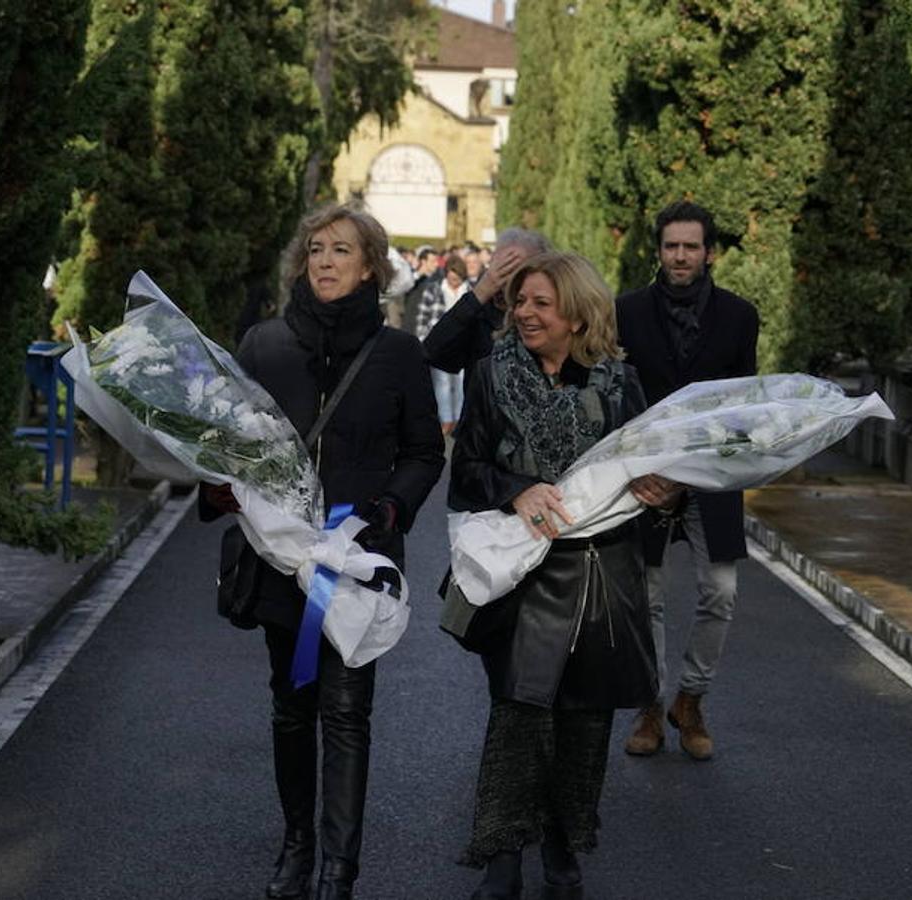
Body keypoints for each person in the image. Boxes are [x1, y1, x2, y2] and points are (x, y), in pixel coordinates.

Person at [200, 203, 444, 900]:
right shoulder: (263, 346)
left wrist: (390, 509)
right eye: (315, 249)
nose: (326, 260)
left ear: (371, 264)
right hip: (283, 561)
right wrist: (218, 489)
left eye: (342, 249)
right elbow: (223, 443)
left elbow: (424, 451)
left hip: (358, 561)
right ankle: (297, 844)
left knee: (346, 710)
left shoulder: (398, 354)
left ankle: (340, 868)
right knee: (291, 704)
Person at [448, 252, 680, 900]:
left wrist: (667, 494)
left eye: (540, 303)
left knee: (584, 723)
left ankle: (561, 851)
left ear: (577, 314)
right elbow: (464, 473)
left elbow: (648, 476)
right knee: (519, 717)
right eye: (520, 301)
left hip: (602, 577)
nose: (523, 312)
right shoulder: (491, 378)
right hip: (520, 577)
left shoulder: (621, 385)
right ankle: (501, 861)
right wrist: (518, 488)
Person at [615, 200, 759, 762]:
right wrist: (643, 469)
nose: (680, 256)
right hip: (645, 475)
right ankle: (649, 705)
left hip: (713, 470)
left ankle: (690, 699)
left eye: (690, 247)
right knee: (643, 596)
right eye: (671, 246)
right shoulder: (625, 312)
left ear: (709, 252)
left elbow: (741, 405)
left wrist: (699, 465)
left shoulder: (739, 316)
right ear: (659, 250)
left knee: (720, 590)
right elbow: (619, 399)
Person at [422, 227, 552, 385]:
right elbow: (433, 353)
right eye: (499, 266)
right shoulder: (480, 312)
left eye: (514, 268)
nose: (503, 277)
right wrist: (479, 294)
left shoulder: (549, 316)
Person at [414, 254, 470, 434]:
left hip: (463, 344)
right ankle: (445, 420)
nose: (454, 282)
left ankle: (460, 419)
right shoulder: (433, 289)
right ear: (446, 274)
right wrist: (423, 344)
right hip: (440, 343)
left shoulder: (470, 291)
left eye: (458, 279)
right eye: (451, 278)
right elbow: (423, 318)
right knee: (442, 383)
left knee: (463, 383)